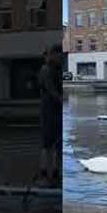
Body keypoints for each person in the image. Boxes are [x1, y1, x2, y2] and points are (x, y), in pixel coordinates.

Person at [38, 44, 63, 187]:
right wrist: (61, 100)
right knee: (48, 144)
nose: (61, 59)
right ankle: (43, 174)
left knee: (58, 143)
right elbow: (51, 90)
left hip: (57, 111)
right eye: (59, 56)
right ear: (53, 55)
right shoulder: (46, 70)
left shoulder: (56, 69)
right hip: (48, 111)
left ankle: (56, 173)